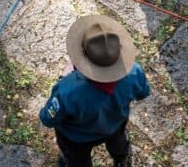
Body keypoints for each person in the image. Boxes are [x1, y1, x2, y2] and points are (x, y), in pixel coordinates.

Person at [39, 15, 150, 167]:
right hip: (115, 124)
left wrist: (63, 78)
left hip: (76, 139)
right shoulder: (134, 71)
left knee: (77, 161)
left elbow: (48, 118)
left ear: (83, 58)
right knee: (118, 142)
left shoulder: (67, 90)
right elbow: (143, 92)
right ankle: (122, 159)